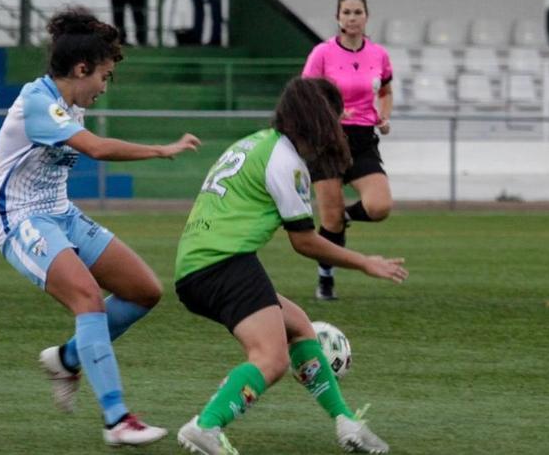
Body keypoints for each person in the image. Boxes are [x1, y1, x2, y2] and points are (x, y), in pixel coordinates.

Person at [0, 7, 200, 447]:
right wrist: (160, 151)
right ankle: (116, 418)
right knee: (88, 299)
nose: (105, 86)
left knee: (144, 290)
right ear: (81, 69)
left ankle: (67, 358)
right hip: (20, 220)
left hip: (60, 213)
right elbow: (98, 149)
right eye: (103, 76)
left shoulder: (67, 103)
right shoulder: (38, 102)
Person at [174, 77, 406, 455]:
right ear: (319, 119)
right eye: (337, 119)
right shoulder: (286, 161)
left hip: (202, 262)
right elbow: (304, 241)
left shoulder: (259, 143)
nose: (339, 129)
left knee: (298, 326)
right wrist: (365, 263)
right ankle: (205, 426)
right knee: (271, 359)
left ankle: (346, 422)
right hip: (221, 262)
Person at [301, 0, 394, 300]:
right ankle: (325, 276)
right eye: (346, 12)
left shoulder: (378, 54)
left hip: (363, 140)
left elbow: (386, 91)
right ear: (337, 17)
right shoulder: (322, 54)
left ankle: (347, 215)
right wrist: (334, 112)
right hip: (328, 139)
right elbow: (306, 96)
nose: (352, 18)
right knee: (329, 221)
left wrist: (384, 116)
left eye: (357, 12)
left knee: (380, 206)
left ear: (367, 17)